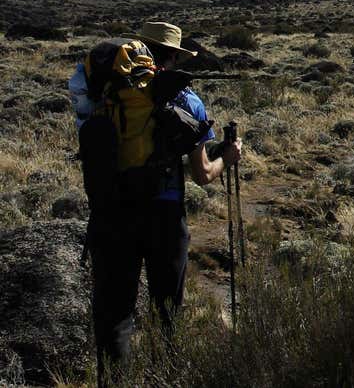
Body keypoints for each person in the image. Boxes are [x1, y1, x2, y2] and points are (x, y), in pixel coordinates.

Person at [76, 21, 242, 369]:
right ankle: (165, 375)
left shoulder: (103, 95)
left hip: (110, 214)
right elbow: (203, 175)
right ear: (174, 58)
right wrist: (226, 158)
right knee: (167, 314)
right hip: (163, 216)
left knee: (114, 317)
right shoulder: (185, 98)